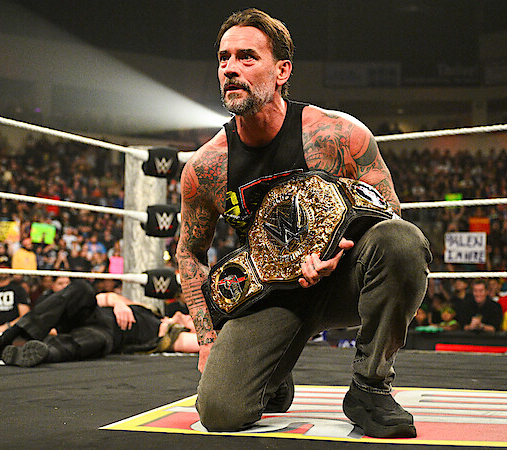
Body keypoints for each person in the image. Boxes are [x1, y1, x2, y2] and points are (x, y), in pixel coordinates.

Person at [176, 9, 431, 438]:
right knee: (220, 413)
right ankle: (273, 379)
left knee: (403, 242)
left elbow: (389, 212)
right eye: (223, 58)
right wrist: (206, 337)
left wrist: (337, 250)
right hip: (270, 295)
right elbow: (189, 252)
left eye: (247, 57)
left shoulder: (338, 135)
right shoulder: (207, 166)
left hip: (343, 279)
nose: (230, 68)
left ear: (282, 71)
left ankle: (370, 387)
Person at [0, 280, 199, 366]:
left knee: (92, 342)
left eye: (196, 319)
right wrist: (119, 303)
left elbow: (201, 343)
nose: (192, 316)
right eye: (193, 314)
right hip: (94, 314)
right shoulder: (148, 309)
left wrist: (190, 326)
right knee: (81, 288)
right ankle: (7, 337)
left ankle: (35, 352)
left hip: (108, 336)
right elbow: (103, 298)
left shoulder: (170, 336)